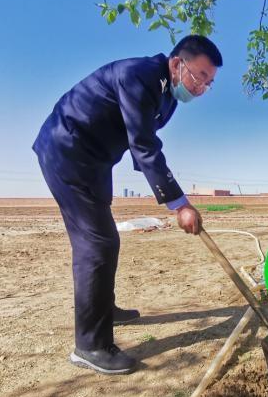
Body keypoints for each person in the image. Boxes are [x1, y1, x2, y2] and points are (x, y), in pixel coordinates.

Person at [33, 35, 222, 375]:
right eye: (199, 76)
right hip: (67, 150)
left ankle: (102, 307)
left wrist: (171, 195)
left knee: (106, 240)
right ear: (178, 64)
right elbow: (144, 145)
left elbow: (143, 144)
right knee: (96, 244)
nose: (201, 87)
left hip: (96, 160)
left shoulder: (168, 96)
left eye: (209, 83)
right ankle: (90, 346)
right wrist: (179, 205)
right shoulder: (140, 76)